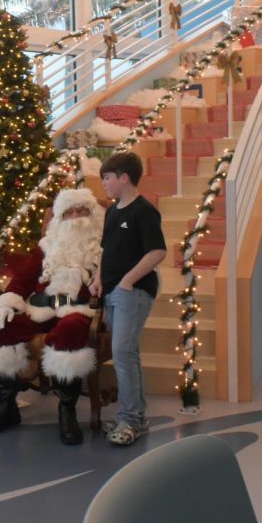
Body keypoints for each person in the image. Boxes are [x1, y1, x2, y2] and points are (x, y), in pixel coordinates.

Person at [0, 188, 104, 445]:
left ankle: (66, 410)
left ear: (93, 214)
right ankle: (7, 406)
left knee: (68, 329)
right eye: (70, 211)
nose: (77, 216)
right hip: (41, 308)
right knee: (2, 326)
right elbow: (23, 279)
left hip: (79, 310)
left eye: (83, 210)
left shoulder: (102, 247)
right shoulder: (46, 246)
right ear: (59, 218)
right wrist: (6, 302)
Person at [90, 151, 167, 447]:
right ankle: (136, 416)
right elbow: (105, 251)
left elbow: (157, 252)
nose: (105, 184)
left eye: (107, 178)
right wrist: (99, 279)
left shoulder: (143, 211)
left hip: (131, 293)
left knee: (122, 353)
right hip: (111, 291)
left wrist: (126, 281)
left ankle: (130, 420)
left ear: (124, 177)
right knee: (127, 354)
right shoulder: (112, 211)